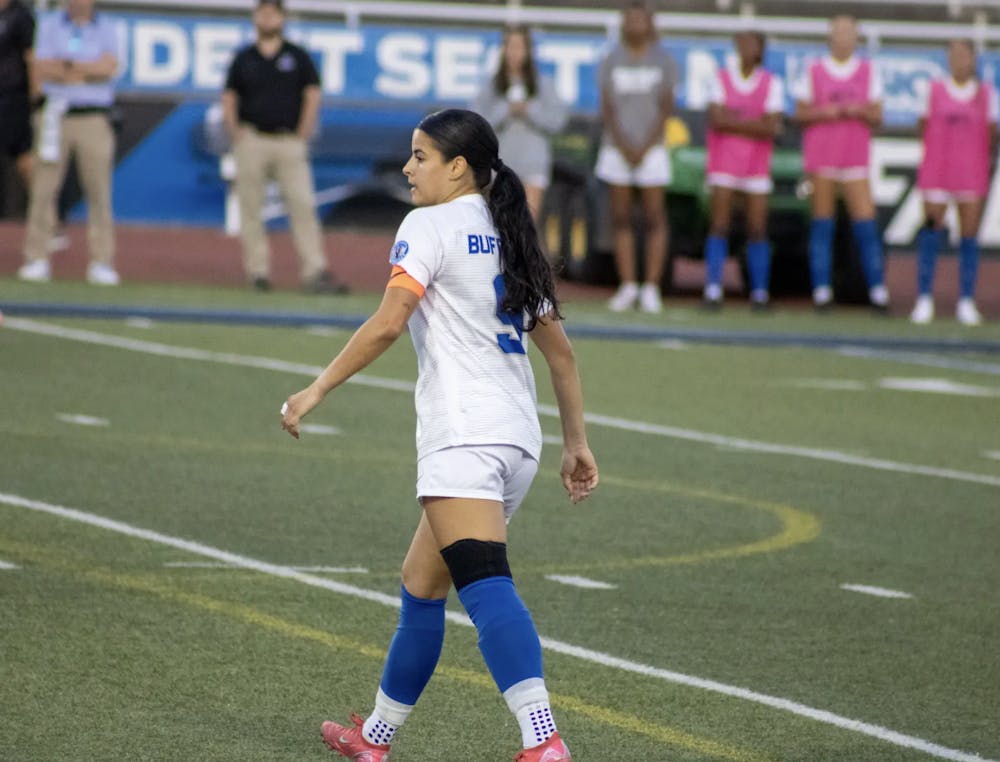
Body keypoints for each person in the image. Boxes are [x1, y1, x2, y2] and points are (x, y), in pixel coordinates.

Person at [280, 108, 598, 762]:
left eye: (420, 156)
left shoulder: (428, 224)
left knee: (485, 586)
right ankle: (375, 739)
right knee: (422, 584)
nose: (407, 167)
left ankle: (543, 741)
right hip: (516, 442)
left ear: (457, 167)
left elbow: (389, 322)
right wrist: (576, 444)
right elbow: (560, 355)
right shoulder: (509, 229)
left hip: (464, 435)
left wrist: (315, 389)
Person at [222, 0, 346, 294]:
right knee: (251, 208)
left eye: (272, 13)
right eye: (262, 13)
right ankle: (258, 272)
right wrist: (235, 132)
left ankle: (314, 271)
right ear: (255, 17)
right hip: (252, 139)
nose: (267, 18)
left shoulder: (297, 56)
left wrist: (303, 132)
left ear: (281, 18)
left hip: (288, 141)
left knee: (302, 205)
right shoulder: (244, 58)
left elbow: (312, 93)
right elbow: (229, 96)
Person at [17, 0, 120, 285]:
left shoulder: (107, 28)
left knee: (99, 190)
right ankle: (37, 256)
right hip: (55, 114)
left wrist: (67, 68)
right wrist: (83, 70)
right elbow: (41, 66)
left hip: (94, 116)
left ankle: (102, 261)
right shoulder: (50, 25)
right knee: (43, 187)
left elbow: (109, 67)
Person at [794, 15, 889, 313]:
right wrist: (829, 112)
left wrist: (857, 110)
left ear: (856, 38)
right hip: (822, 157)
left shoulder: (868, 71)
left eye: (849, 33)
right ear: (830, 37)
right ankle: (822, 291)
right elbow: (800, 114)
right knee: (823, 224)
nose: (843, 38)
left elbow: (877, 115)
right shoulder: (813, 70)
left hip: (854, 158)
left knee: (865, 225)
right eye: (838, 32)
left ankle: (877, 290)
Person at [911, 39, 998, 327]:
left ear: (973, 59)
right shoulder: (933, 90)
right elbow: (923, 127)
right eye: (954, 54)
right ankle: (924, 298)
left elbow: (991, 132)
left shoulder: (986, 93)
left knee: (969, 237)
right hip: (937, 171)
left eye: (964, 55)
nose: (959, 60)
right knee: (931, 232)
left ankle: (966, 301)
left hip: (970, 173)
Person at [597, 2, 677, 314]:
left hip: (652, 148)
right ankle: (628, 285)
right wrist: (623, 145)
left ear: (649, 23)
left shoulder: (664, 60)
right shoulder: (611, 60)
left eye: (639, 19)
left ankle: (651, 288)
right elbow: (607, 108)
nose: (634, 25)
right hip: (616, 148)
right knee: (621, 217)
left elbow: (666, 107)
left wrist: (644, 147)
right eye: (629, 19)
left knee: (655, 217)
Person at [703, 30, 784, 311]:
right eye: (744, 42)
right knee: (719, 225)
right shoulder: (722, 78)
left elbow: (771, 126)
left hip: (756, 166)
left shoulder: (771, 83)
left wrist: (734, 120)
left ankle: (760, 293)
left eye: (754, 43)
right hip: (724, 162)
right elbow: (716, 119)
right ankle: (713, 289)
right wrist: (754, 123)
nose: (748, 48)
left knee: (757, 229)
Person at [472, 25, 568, 222]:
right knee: (499, 224)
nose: (515, 53)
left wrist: (529, 110)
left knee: (527, 226)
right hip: (499, 167)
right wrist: (505, 110)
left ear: (528, 50)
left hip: (533, 165)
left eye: (520, 46)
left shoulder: (544, 84)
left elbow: (558, 121)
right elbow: (477, 122)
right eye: (510, 46)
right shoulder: (491, 86)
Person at [0, 0, 36, 202]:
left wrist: (34, 96)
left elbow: (31, 57)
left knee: (23, 156)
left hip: (14, 97)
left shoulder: (21, 16)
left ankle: (44, 216)